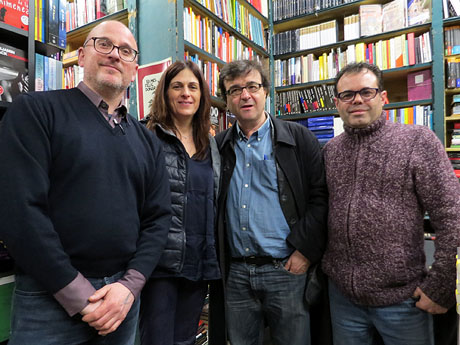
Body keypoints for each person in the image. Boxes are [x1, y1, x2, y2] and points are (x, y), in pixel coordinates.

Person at [0, 20, 171, 345]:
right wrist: (78, 294)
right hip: (48, 299)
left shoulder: (148, 142)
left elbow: (158, 219)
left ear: (134, 68)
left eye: (125, 51)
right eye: (103, 44)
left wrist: (129, 286)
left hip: (122, 301)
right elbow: (18, 210)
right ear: (81, 55)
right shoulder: (35, 111)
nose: (114, 55)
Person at [322, 62, 460, 345]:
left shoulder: (416, 141)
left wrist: (441, 282)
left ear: (383, 98)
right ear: (337, 103)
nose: (357, 99)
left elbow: (451, 214)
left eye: (366, 92)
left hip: (402, 300)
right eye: (347, 95)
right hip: (343, 299)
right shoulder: (330, 151)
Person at [210, 59, 328, 345]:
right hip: (236, 273)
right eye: (235, 90)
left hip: (286, 270)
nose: (245, 95)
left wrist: (304, 252)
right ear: (226, 101)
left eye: (252, 86)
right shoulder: (220, 146)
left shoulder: (299, 138)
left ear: (265, 91)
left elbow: (320, 197)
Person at [139, 60, 221, 345]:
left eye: (193, 87)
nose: (186, 93)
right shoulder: (147, 137)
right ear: (165, 93)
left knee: (186, 340)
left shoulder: (211, 144)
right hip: (158, 265)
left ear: (202, 96)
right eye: (178, 86)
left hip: (198, 264)